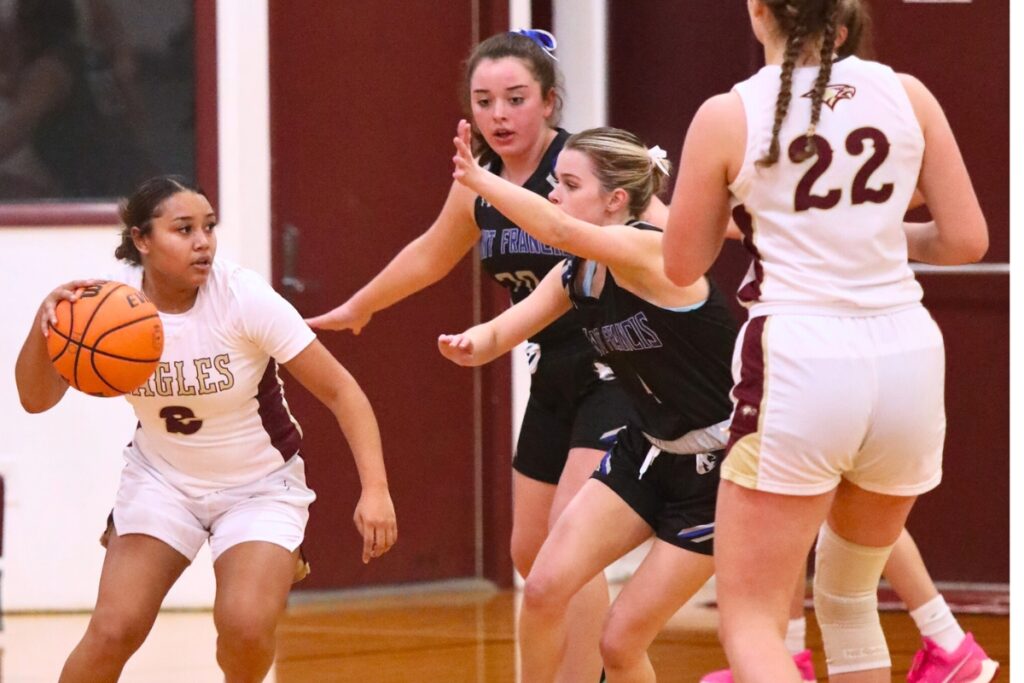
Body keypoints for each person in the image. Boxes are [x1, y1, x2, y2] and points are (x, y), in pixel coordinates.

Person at [305, 30, 654, 681]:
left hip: (617, 368)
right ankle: (611, 659)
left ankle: (592, 674)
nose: (499, 114)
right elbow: (431, 253)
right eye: (484, 100)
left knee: (572, 543)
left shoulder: (584, 166)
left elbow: (664, 229)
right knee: (530, 550)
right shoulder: (479, 180)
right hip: (552, 373)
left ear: (548, 101)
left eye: (516, 98)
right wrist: (362, 305)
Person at [662, 0, 987, 680]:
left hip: (801, 359)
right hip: (907, 357)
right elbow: (964, 240)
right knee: (847, 600)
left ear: (759, 11)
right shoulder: (908, 94)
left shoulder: (728, 114)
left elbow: (682, 265)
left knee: (752, 620)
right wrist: (873, 236)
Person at [15, 175, 398, 682]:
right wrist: (43, 327)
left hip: (259, 487)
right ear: (141, 239)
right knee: (113, 629)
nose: (203, 242)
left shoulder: (242, 298)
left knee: (245, 627)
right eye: (184, 229)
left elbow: (342, 391)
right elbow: (35, 400)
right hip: (163, 480)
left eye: (209, 227)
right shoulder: (105, 307)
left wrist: (376, 489)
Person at [439, 123, 737, 681]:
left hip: (716, 468)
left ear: (615, 200)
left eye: (569, 185)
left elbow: (554, 227)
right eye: (554, 183)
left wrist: (479, 179)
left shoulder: (652, 249)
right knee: (544, 586)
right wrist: (469, 344)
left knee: (619, 644)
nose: (554, 194)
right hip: (647, 450)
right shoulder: (577, 272)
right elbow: (504, 331)